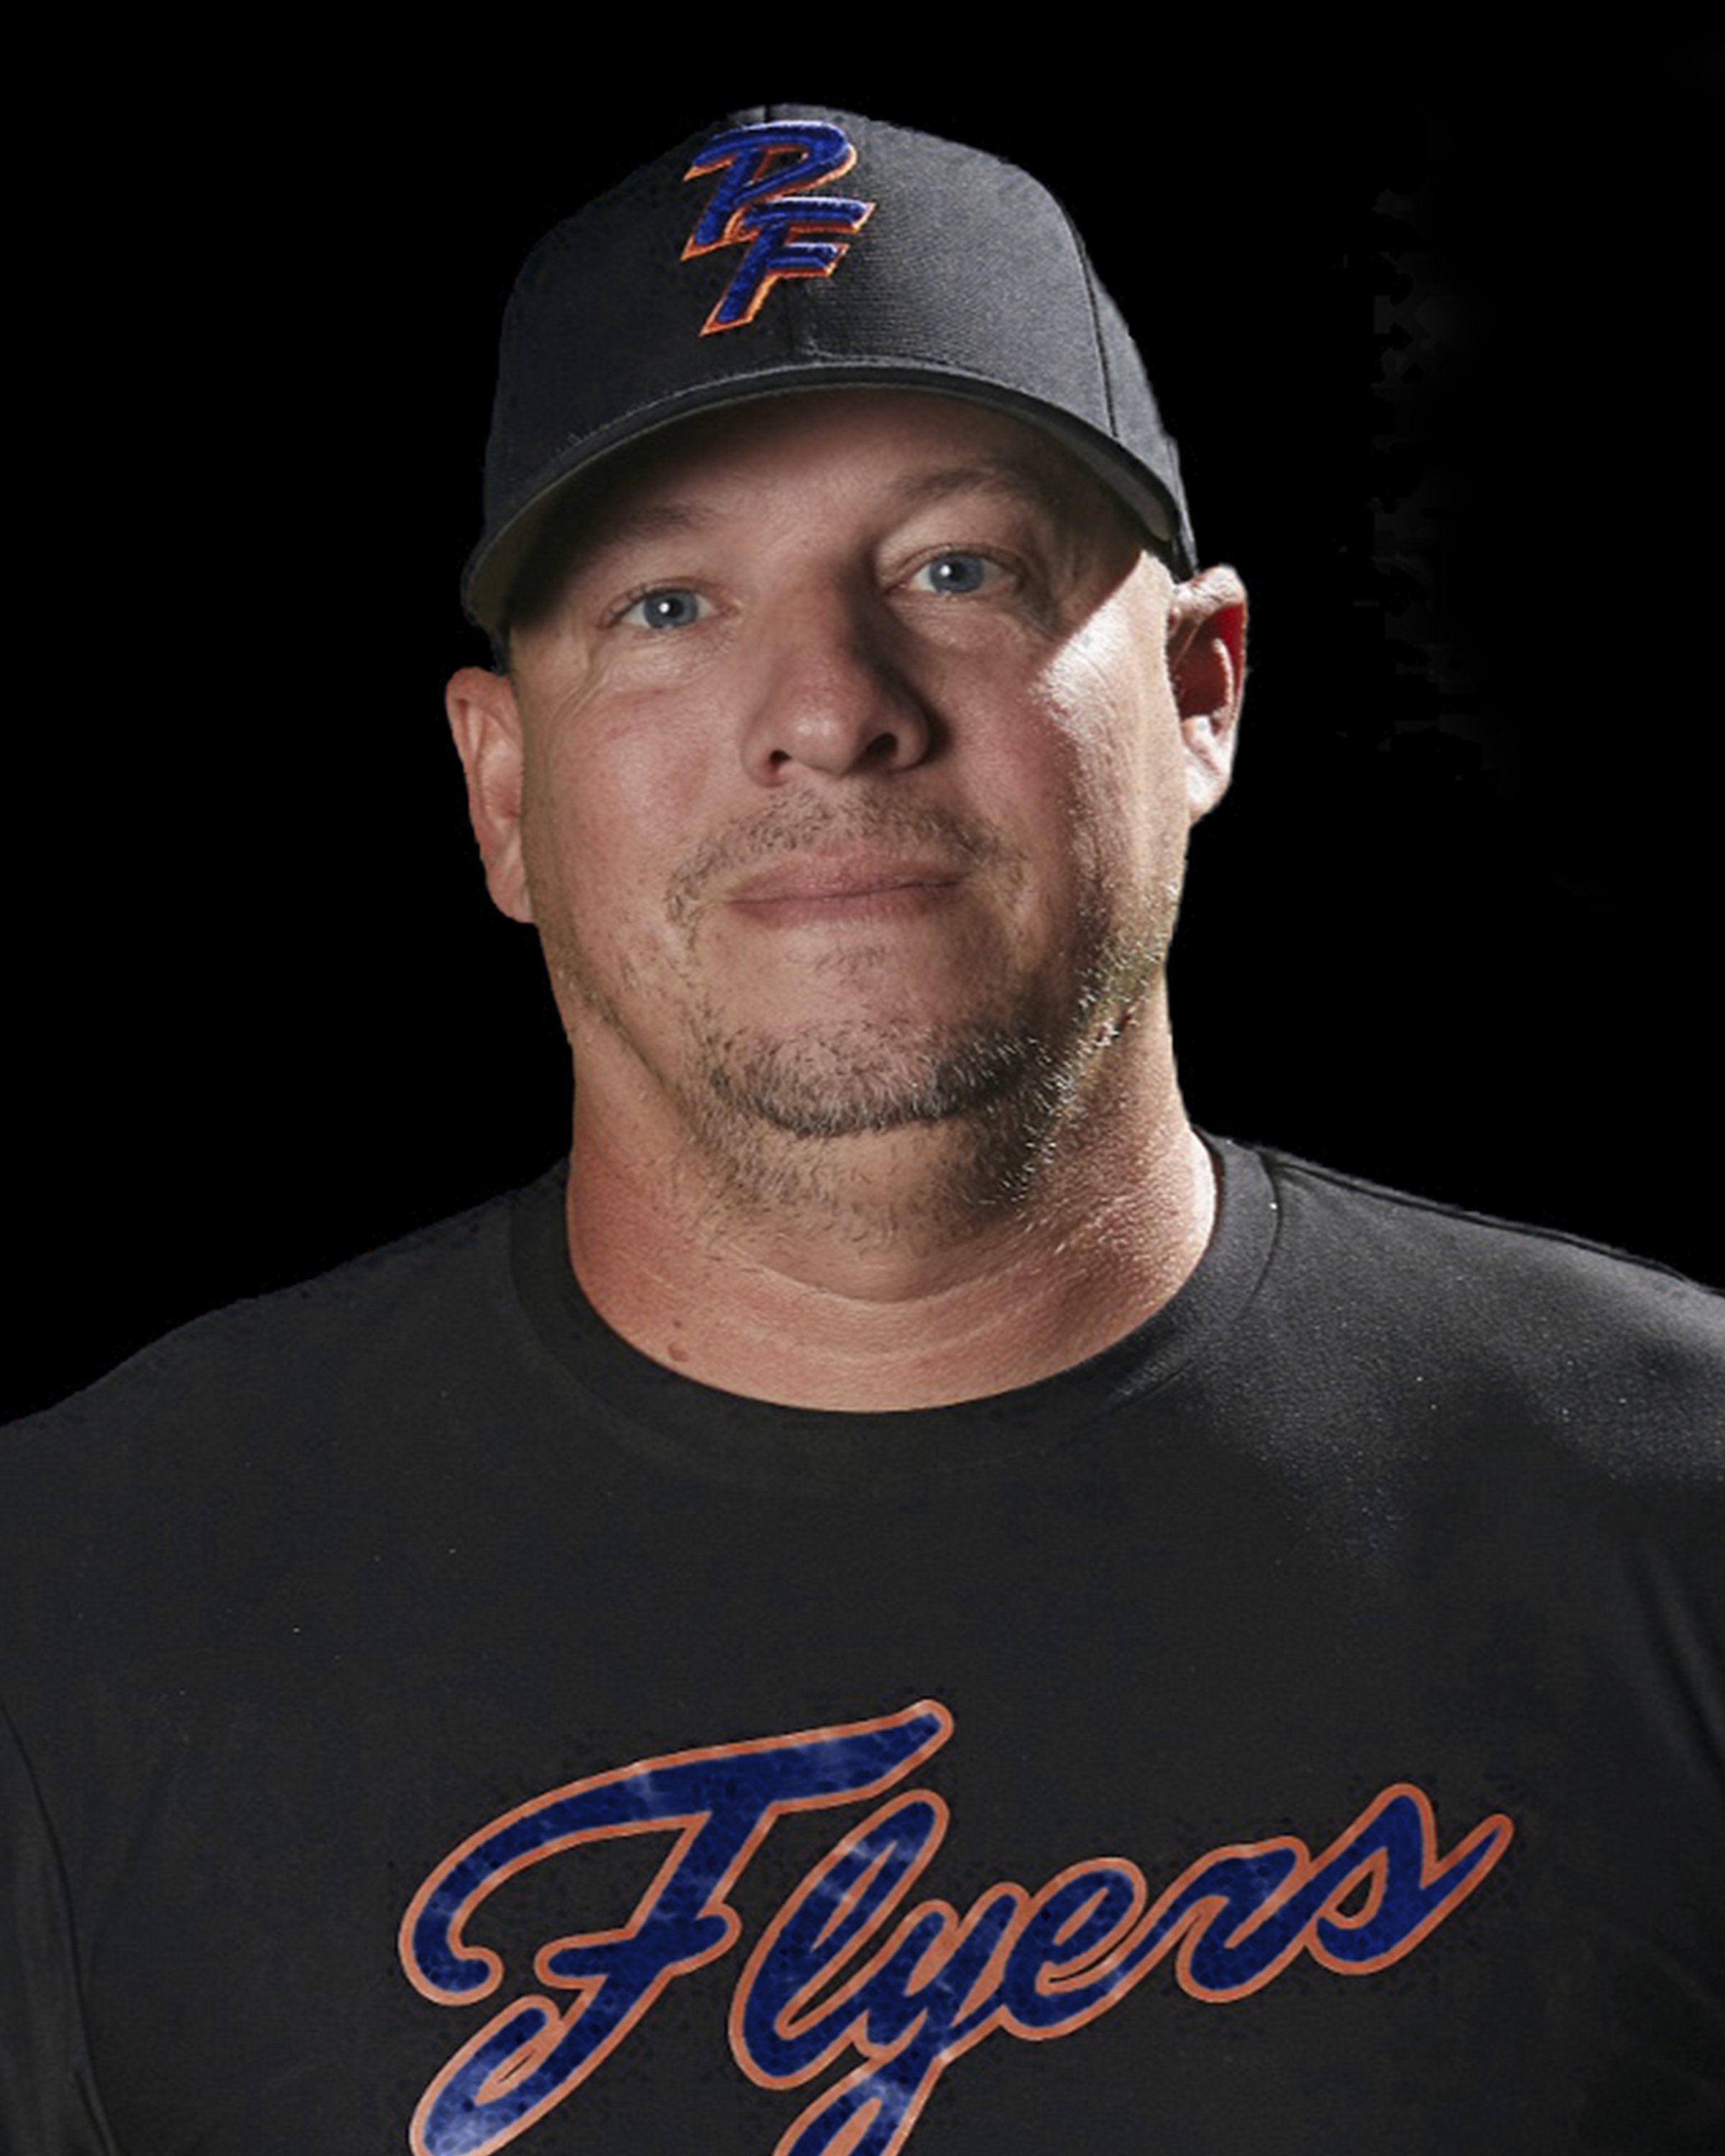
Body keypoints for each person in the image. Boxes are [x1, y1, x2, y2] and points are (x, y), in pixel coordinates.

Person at [2, 104, 1719, 2156]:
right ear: (500, 792)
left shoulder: (1681, 1501)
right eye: (665, 605)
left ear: (1203, 690)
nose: (829, 707)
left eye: (956, 568)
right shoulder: (70, 1596)